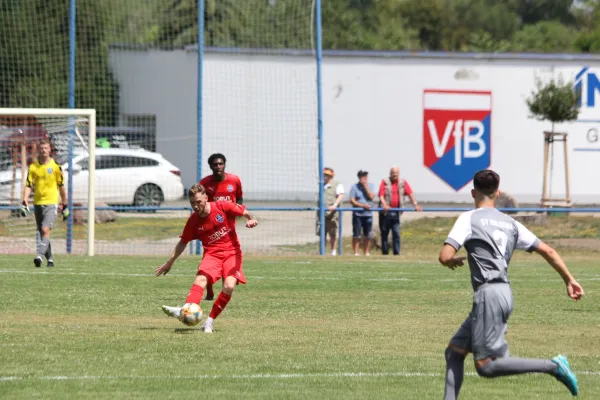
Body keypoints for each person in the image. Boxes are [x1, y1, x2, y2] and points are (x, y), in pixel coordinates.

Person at [438, 169, 583, 399]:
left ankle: (554, 367)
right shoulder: (511, 223)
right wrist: (570, 280)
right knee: (455, 352)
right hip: (504, 293)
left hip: (488, 295)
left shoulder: (469, 218)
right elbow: (548, 250)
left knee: (486, 366)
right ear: (498, 194)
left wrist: (451, 261)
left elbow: (445, 256)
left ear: (473, 193)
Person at [156, 183, 257, 333]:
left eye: (198, 202)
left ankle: (209, 322)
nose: (196, 206)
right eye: (192, 203)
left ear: (206, 198)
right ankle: (185, 310)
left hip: (232, 253)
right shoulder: (193, 221)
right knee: (200, 279)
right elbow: (183, 241)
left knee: (229, 286)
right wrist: (170, 262)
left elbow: (245, 212)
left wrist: (251, 219)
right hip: (212, 254)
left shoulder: (222, 206)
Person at [199, 153, 243, 300]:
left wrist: (239, 211)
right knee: (209, 255)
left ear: (225, 164)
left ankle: (226, 288)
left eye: (221, 164)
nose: (218, 166)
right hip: (211, 225)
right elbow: (200, 201)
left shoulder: (234, 180)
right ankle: (209, 290)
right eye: (215, 164)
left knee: (229, 253)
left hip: (229, 225)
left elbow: (239, 198)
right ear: (210, 166)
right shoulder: (205, 183)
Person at [22, 139, 69, 268]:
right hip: (38, 203)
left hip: (51, 202)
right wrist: (25, 199)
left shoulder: (56, 167)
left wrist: (64, 203)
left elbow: (61, 186)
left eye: (46, 148)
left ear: (50, 150)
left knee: (45, 229)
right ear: (39, 150)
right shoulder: (33, 167)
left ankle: (39, 256)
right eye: (41, 148)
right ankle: (50, 259)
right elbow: (28, 185)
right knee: (43, 233)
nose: (44, 150)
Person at [378, 166, 422, 255]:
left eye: (396, 173)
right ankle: (385, 253)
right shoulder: (385, 182)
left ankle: (396, 253)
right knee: (384, 233)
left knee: (396, 233)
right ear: (390, 173)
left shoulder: (403, 182)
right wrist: (384, 205)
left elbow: (410, 194)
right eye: (393, 173)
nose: (395, 175)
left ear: (399, 174)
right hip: (385, 212)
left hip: (396, 212)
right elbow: (381, 195)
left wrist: (415, 204)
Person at [316, 167, 344, 256]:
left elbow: (341, 195)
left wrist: (335, 205)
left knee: (333, 233)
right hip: (321, 214)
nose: (325, 177)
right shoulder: (321, 185)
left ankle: (333, 252)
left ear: (331, 176)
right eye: (324, 175)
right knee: (322, 234)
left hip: (332, 214)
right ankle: (322, 252)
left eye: (327, 175)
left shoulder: (337, 184)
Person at [349, 170, 376, 256]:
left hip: (368, 215)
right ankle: (356, 252)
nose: (364, 179)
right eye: (362, 177)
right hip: (357, 214)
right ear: (359, 178)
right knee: (356, 234)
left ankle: (366, 252)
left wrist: (366, 187)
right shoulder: (354, 187)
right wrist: (362, 205)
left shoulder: (371, 186)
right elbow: (352, 200)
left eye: (365, 177)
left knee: (367, 235)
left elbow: (372, 197)